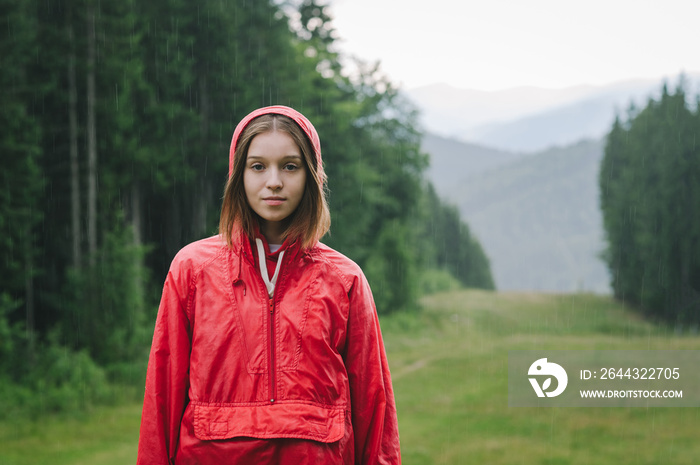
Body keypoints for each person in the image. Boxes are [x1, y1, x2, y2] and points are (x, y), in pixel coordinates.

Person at [137, 106, 401, 464]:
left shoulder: (345, 279)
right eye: (258, 166)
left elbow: (374, 407)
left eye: (289, 166)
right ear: (238, 175)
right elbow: (162, 395)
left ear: (311, 176)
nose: (273, 181)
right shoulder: (192, 269)